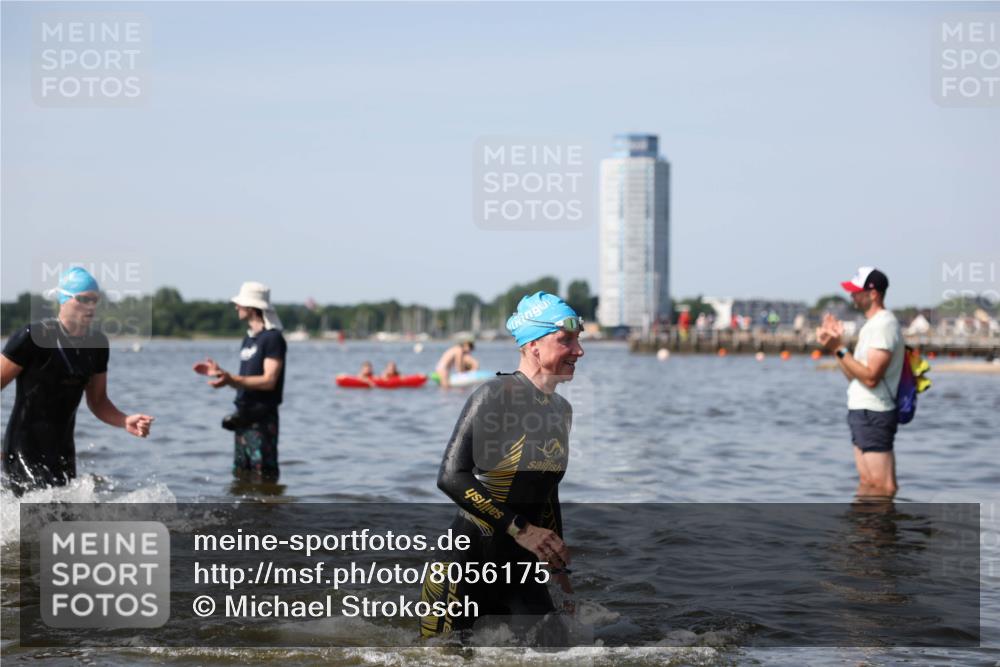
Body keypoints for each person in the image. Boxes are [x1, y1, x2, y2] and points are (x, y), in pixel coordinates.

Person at [420, 291, 584, 641]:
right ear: (534, 346)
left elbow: (546, 489)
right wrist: (523, 530)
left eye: (578, 340)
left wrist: (556, 560)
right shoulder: (496, 394)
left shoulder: (560, 412)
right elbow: (451, 476)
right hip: (467, 562)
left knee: (558, 651)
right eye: (565, 340)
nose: (579, 350)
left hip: (520, 566)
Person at [0, 267, 154, 494]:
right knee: (40, 513)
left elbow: (98, 401)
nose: (91, 306)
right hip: (24, 448)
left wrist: (124, 420)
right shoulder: (32, 337)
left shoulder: (97, 344)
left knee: (65, 518)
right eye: (83, 299)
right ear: (64, 299)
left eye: (95, 300)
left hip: (63, 450)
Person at [816, 267, 904, 499]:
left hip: (875, 412)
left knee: (882, 486)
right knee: (867, 484)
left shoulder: (884, 325)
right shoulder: (872, 325)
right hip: (863, 411)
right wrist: (837, 346)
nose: (852, 296)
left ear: (873, 294)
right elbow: (855, 377)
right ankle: (865, 533)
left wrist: (839, 348)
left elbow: (871, 377)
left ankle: (883, 534)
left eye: (857, 291)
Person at [202, 281, 287, 482]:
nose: (236, 307)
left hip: (262, 419)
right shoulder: (248, 339)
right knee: (241, 477)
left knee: (263, 476)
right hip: (243, 416)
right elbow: (244, 379)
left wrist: (232, 379)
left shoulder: (273, 339)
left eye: (239, 304)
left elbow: (269, 381)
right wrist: (223, 375)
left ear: (251, 307)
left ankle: (269, 512)